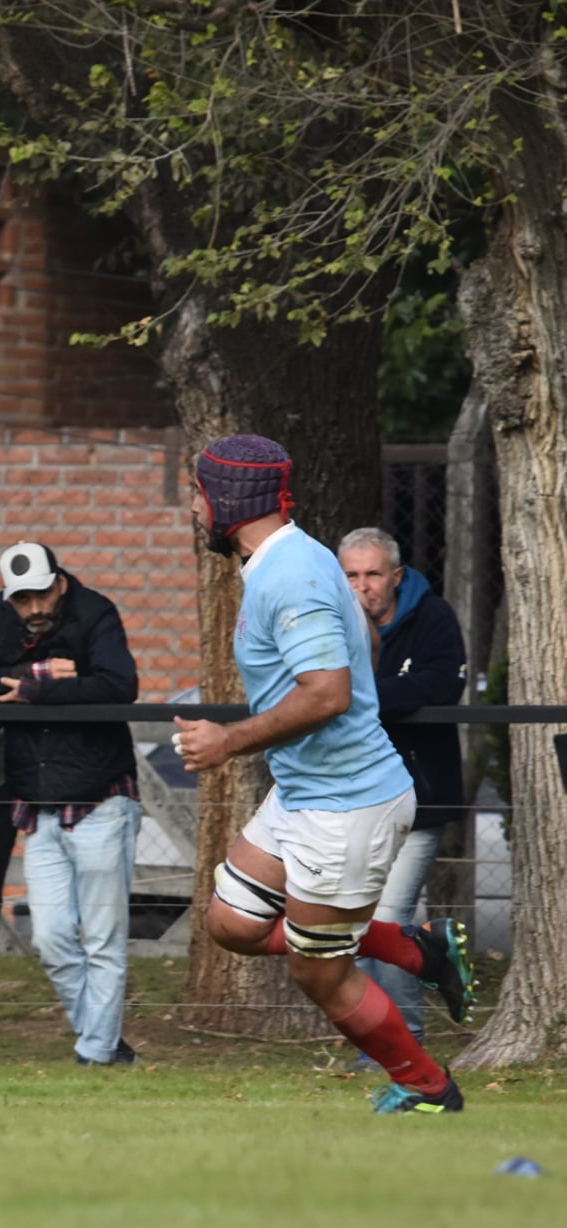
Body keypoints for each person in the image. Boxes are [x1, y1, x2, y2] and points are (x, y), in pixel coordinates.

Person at [174, 435, 473, 1115]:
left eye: (198, 493)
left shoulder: (291, 576)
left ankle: (427, 1087)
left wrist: (228, 740)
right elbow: (363, 639)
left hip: (347, 805)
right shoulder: (299, 557)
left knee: (320, 968)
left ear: (229, 500)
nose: (192, 507)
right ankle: (417, 948)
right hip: (308, 792)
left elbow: (329, 692)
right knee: (231, 923)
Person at [0, 541, 143, 1067]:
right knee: (53, 939)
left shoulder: (97, 612)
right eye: (23, 600)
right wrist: (40, 677)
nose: (34, 608)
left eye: (41, 595)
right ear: (8, 598)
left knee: (103, 940)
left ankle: (97, 1053)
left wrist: (34, 693)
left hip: (102, 799)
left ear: (59, 581)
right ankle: (103, 1041)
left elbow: (119, 685)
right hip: (37, 805)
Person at [338, 525, 468, 1051]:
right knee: (353, 929)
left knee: (389, 923)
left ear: (395, 576)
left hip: (418, 800)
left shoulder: (432, 616)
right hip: (350, 801)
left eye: (372, 574)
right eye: (350, 575)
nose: (362, 586)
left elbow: (442, 684)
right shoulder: (330, 623)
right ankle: (378, 1047)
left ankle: (405, 1047)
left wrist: (357, 695)